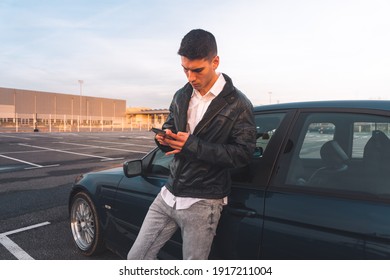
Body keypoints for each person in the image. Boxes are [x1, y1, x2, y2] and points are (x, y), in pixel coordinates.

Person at [127, 29, 256, 260]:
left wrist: (192, 145)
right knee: (135, 260)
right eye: (185, 69)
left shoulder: (239, 104)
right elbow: (170, 128)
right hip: (168, 193)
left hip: (204, 202)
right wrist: (163, 139)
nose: (190, 77)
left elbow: (243, 154)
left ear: (215, 61)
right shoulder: (180, 95)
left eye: (197, 70)